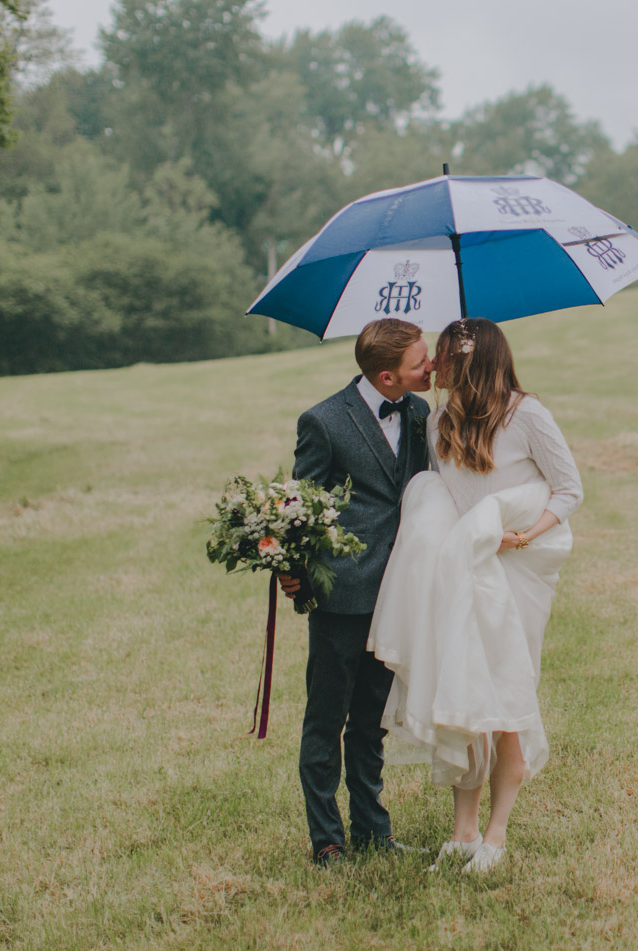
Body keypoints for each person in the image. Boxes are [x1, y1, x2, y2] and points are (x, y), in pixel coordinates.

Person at [368, 317, 582, 876]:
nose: (435, 367)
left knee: (506, 697)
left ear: (472, 360)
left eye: (444, 356)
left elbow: (569, 489)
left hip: (516, 565)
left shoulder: (527, 413)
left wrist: (524, 534)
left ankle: (497, 832)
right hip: (464, 569)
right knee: (464, 691)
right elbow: (452, 494)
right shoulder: (439, 418)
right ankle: (462, 832)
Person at [277, 318, 434, 867]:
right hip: (342, 595)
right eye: (422, 361)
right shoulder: (323, 421)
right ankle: (327, 840)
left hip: (399, 591)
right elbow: (301, 507)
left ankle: (373, 830)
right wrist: (291, 573)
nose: (432, 366)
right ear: (388, 376)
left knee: (370, 720)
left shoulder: (420, 414)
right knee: (326, 718)